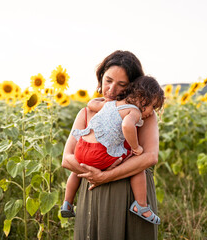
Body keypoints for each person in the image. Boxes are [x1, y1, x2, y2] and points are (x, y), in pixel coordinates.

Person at [62, 50, 161, 239]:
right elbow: (66, 158)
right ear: (100, 78)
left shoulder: (140, 113)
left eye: (121, 85)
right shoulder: (86, 112)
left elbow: (150, 156)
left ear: (133, 87)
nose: (111, 90)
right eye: (108, 81)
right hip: (92, 188)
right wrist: (96, 174)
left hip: (130, 192)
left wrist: (106, 175)